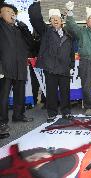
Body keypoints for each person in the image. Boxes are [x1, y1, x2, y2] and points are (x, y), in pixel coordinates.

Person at [28, 1, 75, 122]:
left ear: (61, 20)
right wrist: (36, 4)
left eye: (57, 18)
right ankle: (52, 113)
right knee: (51, 92)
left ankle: (66, 112)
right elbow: (35, 19)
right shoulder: (45, 32)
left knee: (65, 92)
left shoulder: (68, 34)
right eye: (52, 18)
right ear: (49, 21)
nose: (55, 20)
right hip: (51, 68)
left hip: (64, 68)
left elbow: (71, 52)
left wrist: (71, 65)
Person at [0, 3, 34, 139]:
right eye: (6, 11)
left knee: (20, 92)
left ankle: (18, 115)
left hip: (20, 66)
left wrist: (22, 25)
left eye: (12, 11)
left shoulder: (19, 28)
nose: (10, 13)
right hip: (5, 67)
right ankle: (2, 122)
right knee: (3, 96)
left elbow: (31, 42)